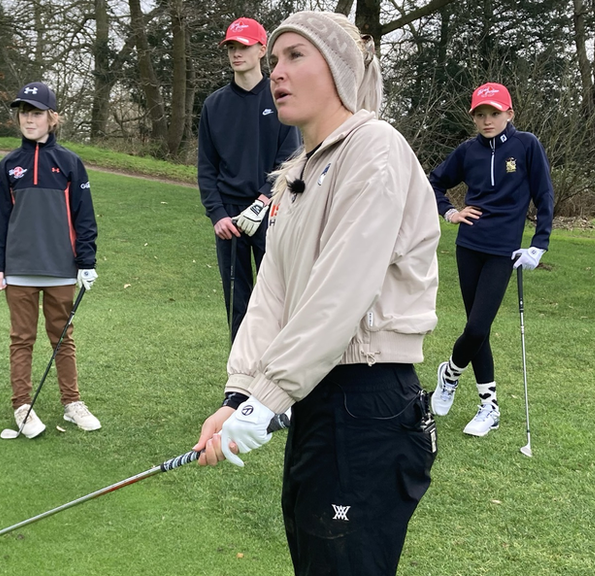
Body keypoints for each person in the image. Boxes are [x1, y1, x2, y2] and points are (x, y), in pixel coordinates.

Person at [193, 11, 441, 575]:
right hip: (317, 400)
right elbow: (273, 295)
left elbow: (342, 288)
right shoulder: (296, 173)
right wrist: (238, 395)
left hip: (368, 400)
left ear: (339, 69)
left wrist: (269, 394)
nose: (277, 71)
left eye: (295, 56)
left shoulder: (374, 147)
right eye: (274, 58)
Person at [427, 82, 554, 436]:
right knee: (476, 328)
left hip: (505, 250)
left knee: (478, 327)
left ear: (509, 114)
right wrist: (450, 213)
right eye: (480, 115)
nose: (487, 121)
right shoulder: (468, 151)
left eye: (494, 113)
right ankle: (489, 406)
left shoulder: (526, 145)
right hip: (469, 245)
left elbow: (544, 195)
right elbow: (434, 182)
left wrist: (538, 244)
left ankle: (450, 372)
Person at [0, 81, 102, 437]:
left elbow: (84, 217)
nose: (28, 119)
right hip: (19, 269)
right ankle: (22, 405)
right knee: (21, 339)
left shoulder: (69, 163)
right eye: (23, 112)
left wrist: (86, 261)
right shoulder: (9, 165)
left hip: (60, 269)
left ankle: (72, 403)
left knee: (63, 337)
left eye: (36, 113)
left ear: (52, 118)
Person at [197, 16, 301, 343]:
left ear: (261, 50)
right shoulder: (214, 105)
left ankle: (275, 381)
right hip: (229, 217)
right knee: (237, 301)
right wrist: (217, 215)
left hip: (271, 212)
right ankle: (238, 383)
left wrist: (262, 201)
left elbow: (289, 157)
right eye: (231, 47)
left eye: (243, 46)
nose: (235, 53)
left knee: (276, 297)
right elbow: (207, 167)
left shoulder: (281, 95)